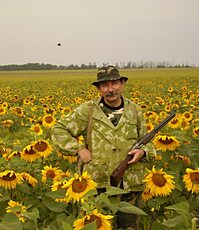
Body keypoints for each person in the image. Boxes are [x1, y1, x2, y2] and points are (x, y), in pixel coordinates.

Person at [51, 65, 154, 229]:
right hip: (97, 185)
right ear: (99, 88)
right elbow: (58, 129)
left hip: (130, 185)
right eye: (105, 85)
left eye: (114, 83)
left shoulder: (135, 110)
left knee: (129, 227)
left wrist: (143, 152)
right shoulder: (88, 110)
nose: (110, 89)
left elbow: (148, 142)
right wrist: (78, 149)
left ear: (122, 84)